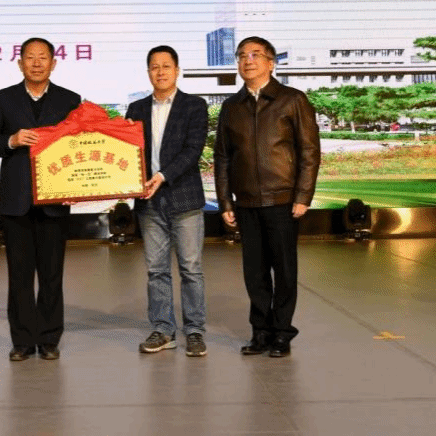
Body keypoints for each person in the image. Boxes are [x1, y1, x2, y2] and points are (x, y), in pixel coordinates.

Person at [214, 36, 320, 358]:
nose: (247, 60)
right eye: (241, 55)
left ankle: (282, 333)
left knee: (285, 271)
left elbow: (309, 151)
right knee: (254, 273)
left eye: (255, 55)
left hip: (283, 201)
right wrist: (225, 201)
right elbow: (222, 157)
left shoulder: (292, 100)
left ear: (271, 63)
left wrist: (303, 195)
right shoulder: (231, 107)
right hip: (246, 202)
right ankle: (260, 332)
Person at [0, 38, 81, 361]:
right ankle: (22, 340)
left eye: (43, 57)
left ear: (53, 63)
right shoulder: (3, 99)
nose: (37, 63)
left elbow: (83, 142)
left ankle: (49, 339)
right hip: (17, 200)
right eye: (30, 58)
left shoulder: (69, 100)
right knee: (20, 275)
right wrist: (11, 139)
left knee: (52, 274)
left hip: (55, 199)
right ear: (20, 63)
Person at [125, 46, 209, 357]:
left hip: (184, 198)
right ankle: (163, 329)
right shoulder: (135, 109)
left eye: (166, 66)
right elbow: (127, 153)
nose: (160, 72)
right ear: (148, 72)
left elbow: (193, 150)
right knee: (156, 270)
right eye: (154, 67)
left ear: (177, 70)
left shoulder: (194, 106)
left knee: (191, 269)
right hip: (149, 202)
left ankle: (195, 331)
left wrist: (161, 176)